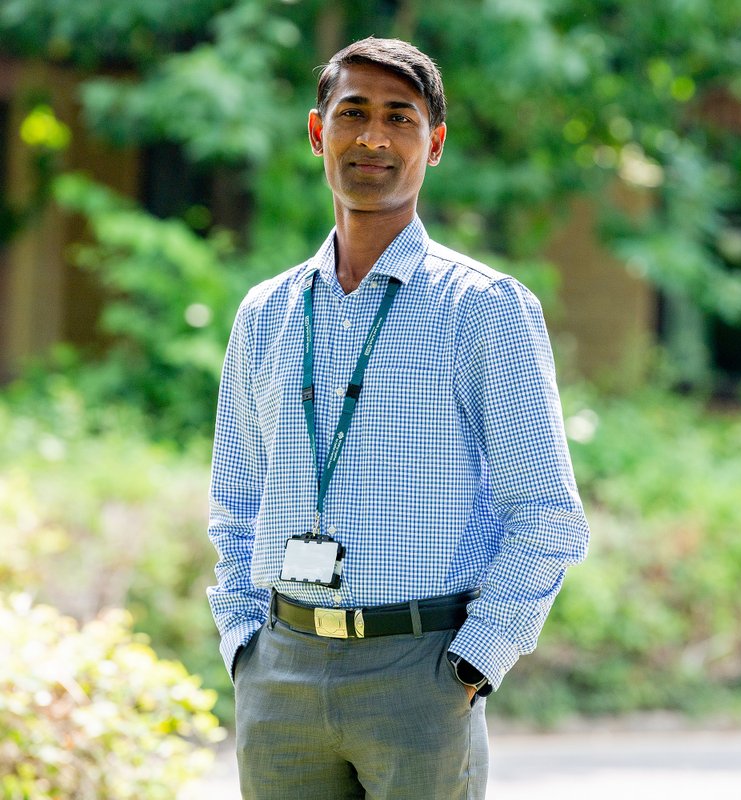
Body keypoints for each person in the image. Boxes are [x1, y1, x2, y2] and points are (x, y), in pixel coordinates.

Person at [206, 36, 589, 800]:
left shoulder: (485, 310)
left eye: (399, 117)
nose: (374, 137)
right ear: (319, 132)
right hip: (279, 672)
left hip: (421, 674)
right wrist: (243, 642)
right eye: (353, 113)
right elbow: (234, 500)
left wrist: (476, 661)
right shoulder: (268, 312)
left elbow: (546, 513)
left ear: (434, 144)